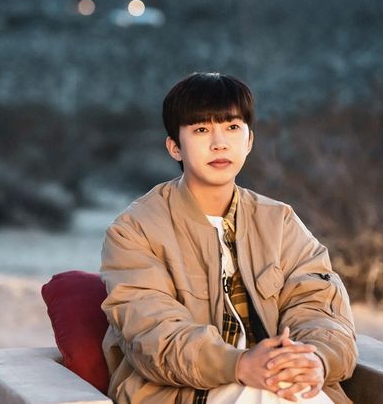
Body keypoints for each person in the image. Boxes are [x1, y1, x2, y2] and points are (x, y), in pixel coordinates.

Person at [99, 73, 357, 404]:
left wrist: (313, 359)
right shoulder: (135, 230)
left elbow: (318, 307)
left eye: (233, 127)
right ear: (175, 147)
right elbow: (153, 334)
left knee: (289, 394)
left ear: (249, 141)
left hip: (280, 385)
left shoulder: (280, 222)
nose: (219, 143)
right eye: (201, 130)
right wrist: (240, 365)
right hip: (185, 393)